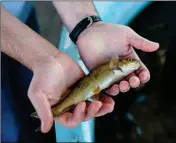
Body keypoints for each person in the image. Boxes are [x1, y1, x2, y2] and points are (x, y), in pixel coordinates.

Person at [1, 1, 159, 142]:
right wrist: (43, 59)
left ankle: (41, 128)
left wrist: (86, 26)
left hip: (19, 11)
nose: (133, 63)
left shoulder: (115, 66)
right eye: (130, 61)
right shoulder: (114, 65)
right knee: (10, 128)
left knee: (25, 88)